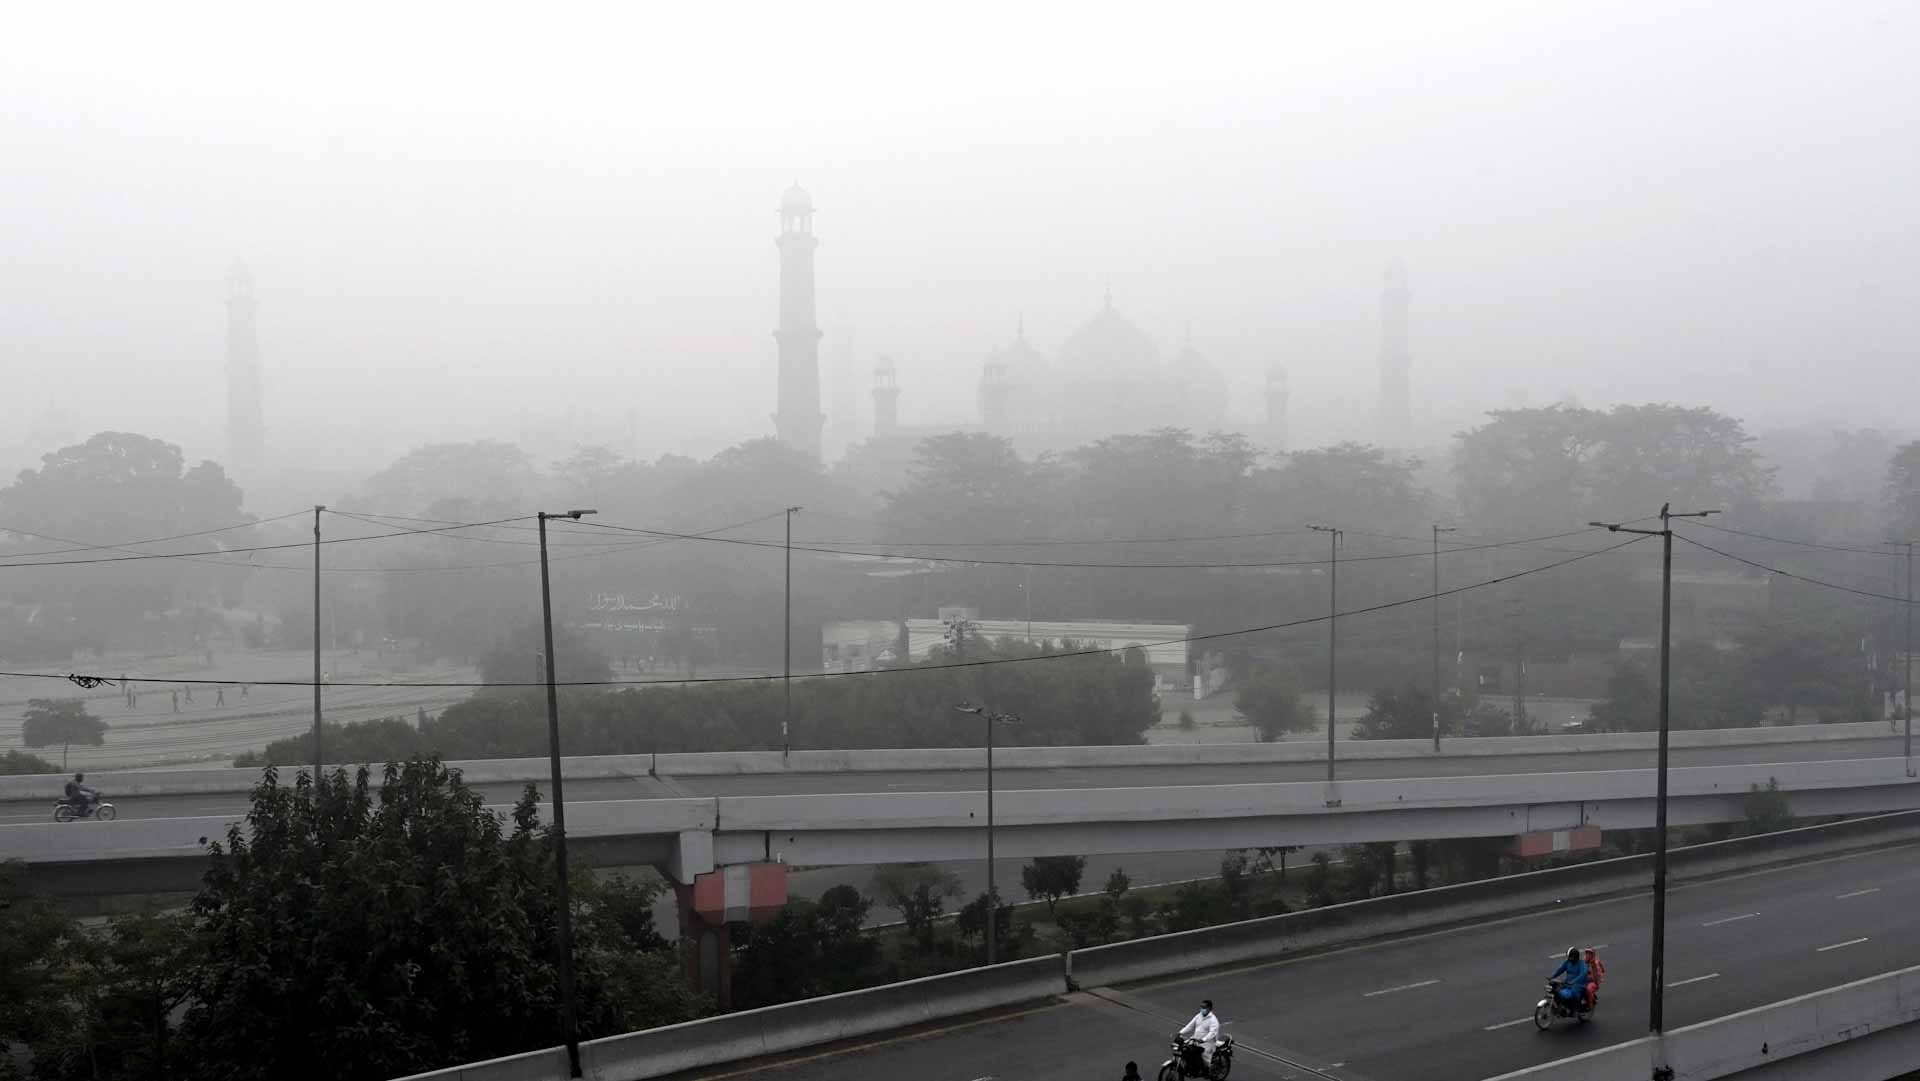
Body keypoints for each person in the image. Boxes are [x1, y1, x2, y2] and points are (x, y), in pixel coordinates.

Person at [1177, 999, 1220, 1071]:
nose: (1202, 1009)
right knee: (1185, 1049)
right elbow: (1190, 1025)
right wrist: (1180, 1032)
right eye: (1201, 1007)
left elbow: (1212, 1033)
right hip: (1195, 1040)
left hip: (1207, 1043)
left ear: (1209, 1008)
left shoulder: (1213, 1020)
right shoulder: (1199, 1015)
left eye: (1204, 1007)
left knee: (1204, 1058)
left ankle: (1207, 1070)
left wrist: (1203, 1040)